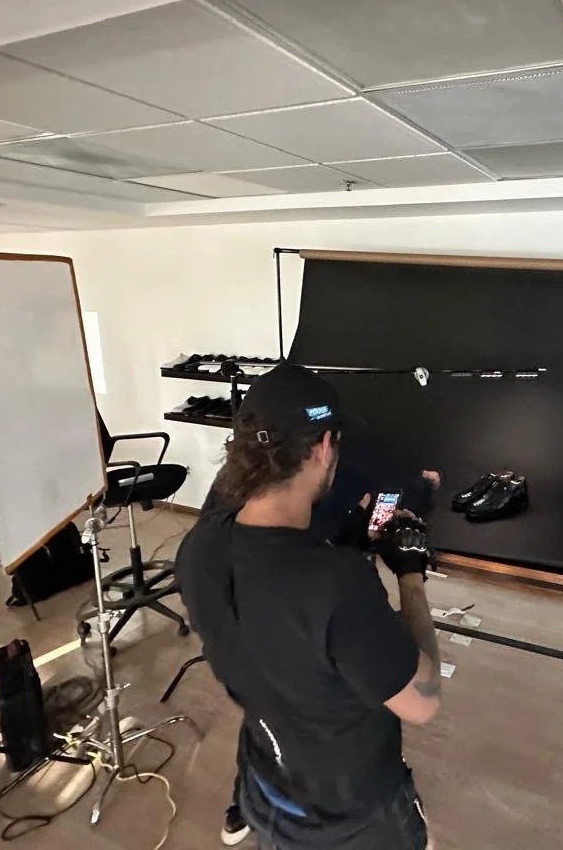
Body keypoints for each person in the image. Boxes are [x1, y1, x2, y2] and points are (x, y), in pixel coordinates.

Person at [177, 363, 441, 850]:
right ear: (323, 447)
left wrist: (345, 544)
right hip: (350, 822)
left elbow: (274, 604)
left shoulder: (196, 550)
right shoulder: (337, 585)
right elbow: (421, 701)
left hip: (269, 791)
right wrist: (409, 574)